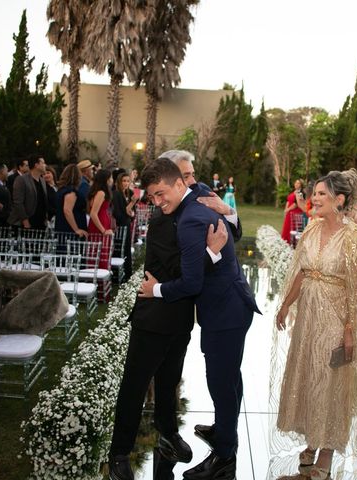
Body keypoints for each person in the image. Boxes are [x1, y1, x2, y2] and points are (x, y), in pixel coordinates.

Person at [138, 158, 259, 480]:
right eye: (153, 197)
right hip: (230, 307)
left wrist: (156, 289)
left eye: (161, 193)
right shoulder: (195, 200)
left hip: (225, 312)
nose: (158, 201)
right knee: (229, 379)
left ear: (180, 184)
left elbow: (191, 283)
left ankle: (223, 459)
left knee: (221, 384)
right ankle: (224, 433)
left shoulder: (191, 218)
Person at [108, 197, 229, 480]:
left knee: (169, 381)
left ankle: (168, 434)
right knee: (134, 387)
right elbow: (180, 269)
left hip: (180, 319)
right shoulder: (162, 223)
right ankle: (119, 454)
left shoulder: (192, 217)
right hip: (152, 320)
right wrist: (210, 252)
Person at [275, 169, 357, 480]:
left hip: (335, 318)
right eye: (313, 194)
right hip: (308, 319)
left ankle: (325, 457)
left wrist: (350, 330)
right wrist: (286, 303)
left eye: (320, 194)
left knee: (330, 384)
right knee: (308, 376)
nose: (313, 199)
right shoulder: (312, 230)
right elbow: (303, 271)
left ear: (339, 200)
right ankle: (312, 440)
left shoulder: (355, 237)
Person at [7, 155, 49, 230]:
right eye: (43, 163)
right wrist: (25, 220)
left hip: (40, 222)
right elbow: (18, 202)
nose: (45, 165)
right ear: (36, 165)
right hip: (26, 222)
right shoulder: (21, 179)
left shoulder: (42, 181)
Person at [87, 169, 114, 269]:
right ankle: (99, 281)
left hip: (102, 224)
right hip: (99, 227)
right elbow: (93, 213)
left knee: (101, 253)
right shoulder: (101, 193)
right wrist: (103, 230)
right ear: (106, 179)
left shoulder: (99, 191)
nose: (112, 179)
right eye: (110, 177)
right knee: (99, 254)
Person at [111, 172, 136, 279]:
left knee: (127, 249)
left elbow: (132, 212)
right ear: (119, 182)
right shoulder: (116, 194)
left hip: (127, 224)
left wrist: (132, 213)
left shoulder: (130, 193)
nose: (126, 183)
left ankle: (127, 272)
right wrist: (132, 204)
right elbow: (118, 212)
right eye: (123, 181)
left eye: (127, 181)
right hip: (120, 226)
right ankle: (120, 274)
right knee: (121, 249)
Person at [55, 164, 88, 238]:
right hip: (70, 231)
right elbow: (67, 210)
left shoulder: (61, 190)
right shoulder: (70, 192)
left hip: (62, 226)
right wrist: (76, 229)